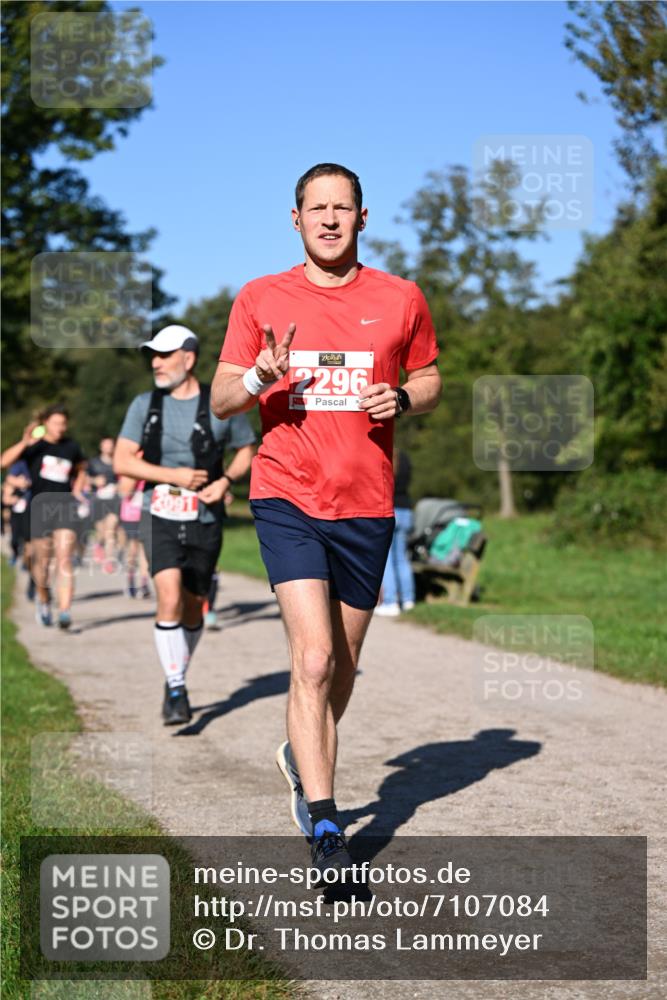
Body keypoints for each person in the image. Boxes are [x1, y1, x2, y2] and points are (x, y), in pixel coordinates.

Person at [211, 163, 441, 877]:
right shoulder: (260, 297)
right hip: (287, 496)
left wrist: (402, 399)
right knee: (310, 660)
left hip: (366, 504)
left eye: (343, 208)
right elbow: (221, 399)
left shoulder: (400, 298)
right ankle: (326, 826)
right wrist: (259, 377)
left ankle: (298, 748)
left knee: (339, 665)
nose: (330, 220)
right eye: (317, 208)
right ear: (296, 218)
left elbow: (430, 376)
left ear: (362, 219)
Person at [114, 325, 256, 724]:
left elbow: (246, 451)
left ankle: (176, 672)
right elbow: (123, 461)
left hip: (205, 517)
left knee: (194, 606)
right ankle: (176, 687)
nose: (156, 363)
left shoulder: (220, 402)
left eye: (164, 355)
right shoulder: (145, 404)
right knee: (169, 595)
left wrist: (226, 481)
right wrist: (173, 477)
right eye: (153, 356)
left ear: (188, 359)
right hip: (158, 510)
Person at [1, 405, 86, 628]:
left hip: (65, 507)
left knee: (65, 558)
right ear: (45, 423)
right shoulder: (35, 447)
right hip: (39, 508)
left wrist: (78, 488)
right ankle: (44, 599)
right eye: (56, 423)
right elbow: (3, 462)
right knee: (43, 562)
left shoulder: (71, 447)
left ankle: (65, 611)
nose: (60, 428)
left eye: (63, 424)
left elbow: (81, 469)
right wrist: (24, 442)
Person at [375, 448, 415, 615]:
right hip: (406, 510)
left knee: (387, 558)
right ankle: (408, 599)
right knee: (401, 558)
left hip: (389, 509)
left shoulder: (384, 455)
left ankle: (390, 601)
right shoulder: (405, 458)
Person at [87, 437, 120, 574]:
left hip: (113, 499)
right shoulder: (93, 462)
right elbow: (85, 478)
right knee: (101, 532)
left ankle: (109, 561)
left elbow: (125, 478)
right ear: (101, 447)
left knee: (110, 531)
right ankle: (98, 545)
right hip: (98, 500)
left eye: (111, 445)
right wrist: (95, 480)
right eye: (105, 445)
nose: (108, 447)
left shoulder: (118, 461)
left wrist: (120, 486)